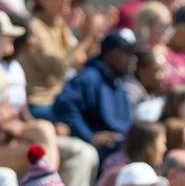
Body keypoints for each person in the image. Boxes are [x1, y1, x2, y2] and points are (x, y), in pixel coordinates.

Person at [53, 28, 137, 156]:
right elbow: (63, 105)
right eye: (127, 53)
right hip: (105, 150)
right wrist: (89, 136)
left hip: (120, 144)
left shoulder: (118, 80)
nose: (133, 59)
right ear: (110, 54)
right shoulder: (89, 77)